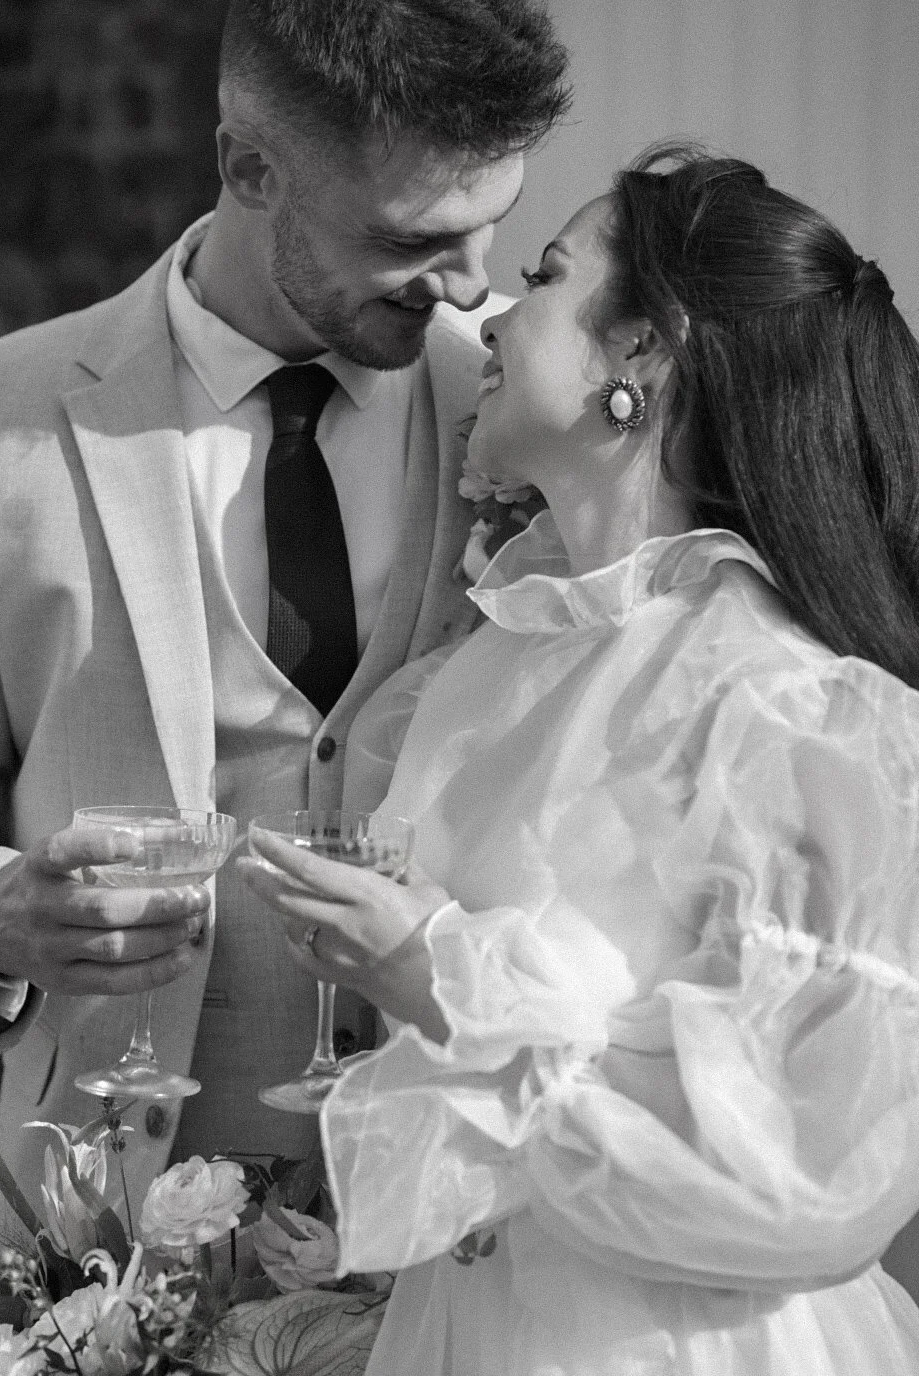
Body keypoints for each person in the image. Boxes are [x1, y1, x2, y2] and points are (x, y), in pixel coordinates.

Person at [0, 0, 570, 1212]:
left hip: (464, 1223)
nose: (470, 287)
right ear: (248, 168)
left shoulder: (534, 401)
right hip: (109, 1222)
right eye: (410, 241)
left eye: (493, 224)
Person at [241, 145, 919, 1374]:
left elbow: (812, 1178)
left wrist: (436, 972)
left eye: (546, 274)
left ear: (642, 353)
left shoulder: (800, 712)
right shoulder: (495, 666)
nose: (488, 314)